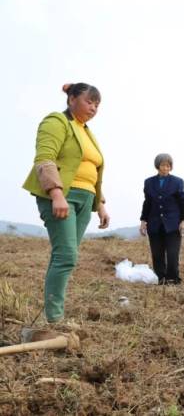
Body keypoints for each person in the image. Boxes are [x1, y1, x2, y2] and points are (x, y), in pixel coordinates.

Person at [23, 83, 109, 324]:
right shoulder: (57, 122)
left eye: (97, 104)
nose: (93, 108)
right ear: (71, 99)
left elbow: (91, 170)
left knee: (63, 255)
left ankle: (53, 312)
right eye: (89, 101)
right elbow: (45, 157)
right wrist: (56, 193)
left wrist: (99, 202)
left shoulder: (86, 131)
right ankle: (55, 319)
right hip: (63, 197)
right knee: (67, 256)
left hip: (85, 200)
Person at [139, 154, 184, 285]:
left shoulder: (178, 182)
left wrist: (183, 220)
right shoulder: (149, 182)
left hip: (173, 224)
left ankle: (172, 280)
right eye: (163, 165)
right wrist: (143, 221)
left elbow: (183, 202)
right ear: (157, 166)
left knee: (172, 255)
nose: (166, 168)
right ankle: (161, 279)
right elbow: (147, 203)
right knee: (157, 255)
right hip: (154, 224)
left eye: (168, 165)